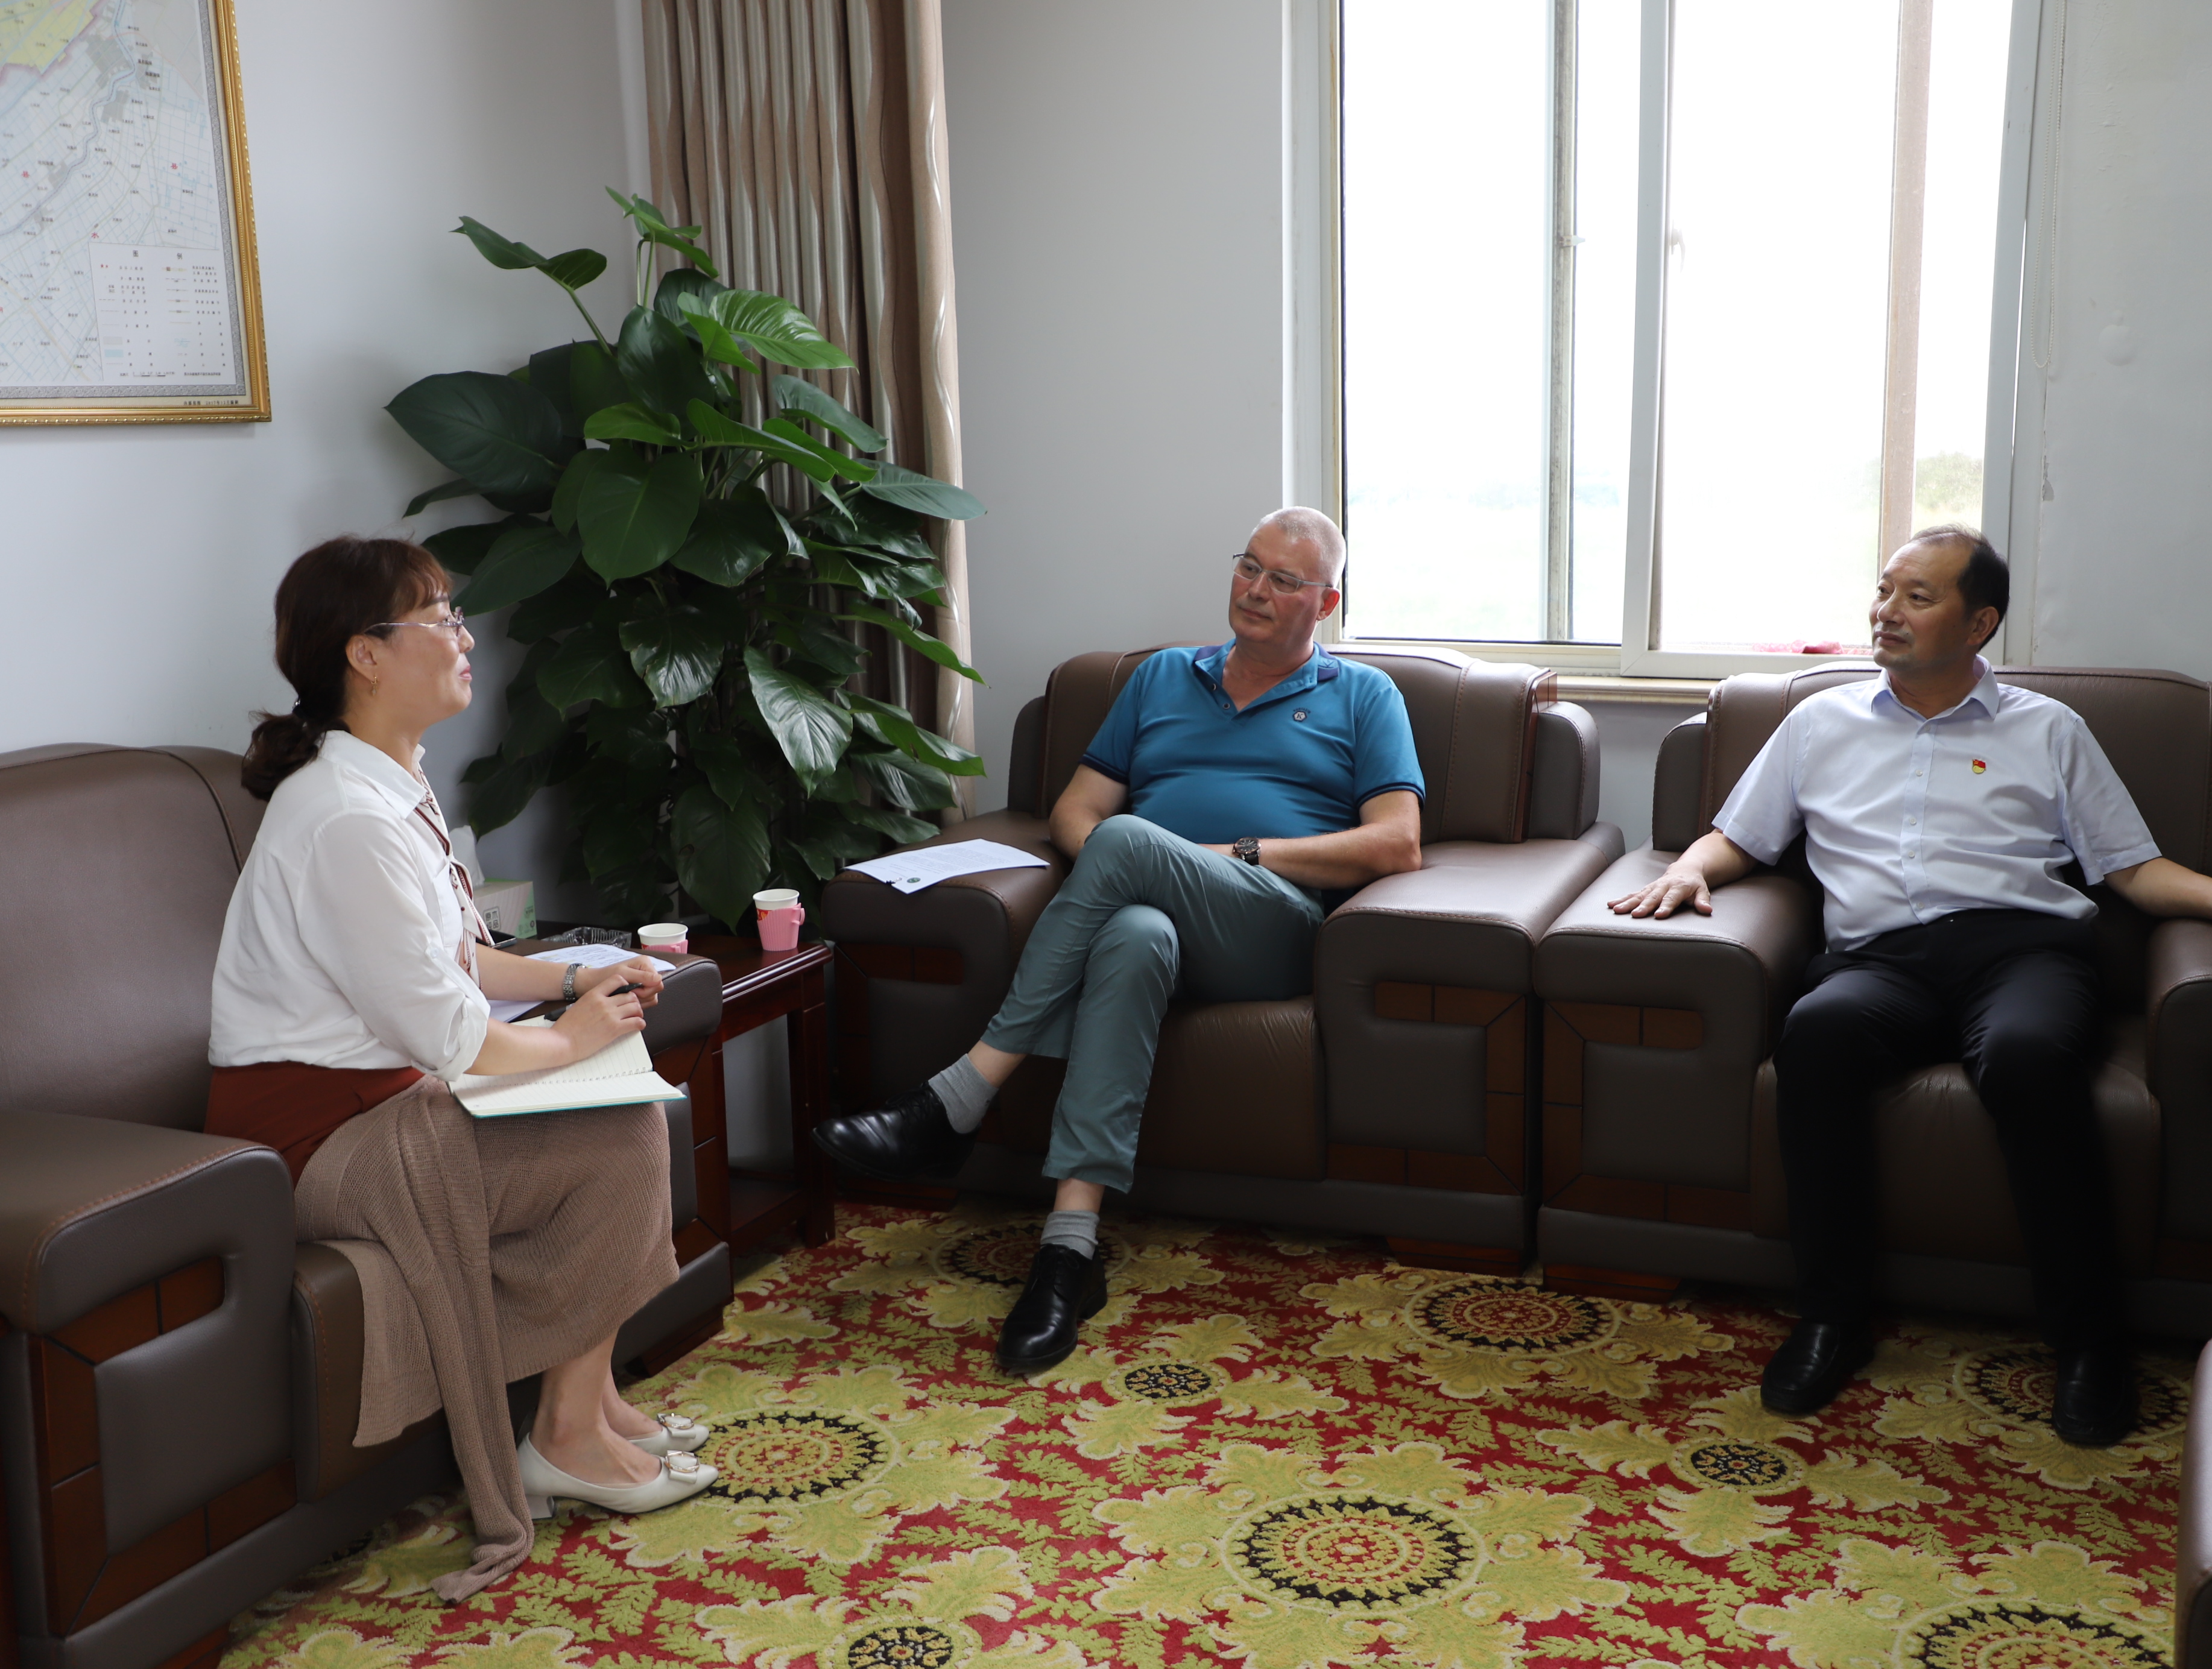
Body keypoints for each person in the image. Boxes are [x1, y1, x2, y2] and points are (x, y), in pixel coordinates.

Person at [1607, 527, 2212, 1448]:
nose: (1886, 611)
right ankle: (1832, 1318)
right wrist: (1692, 867)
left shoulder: (2047, 730)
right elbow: (1743, 836)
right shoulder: (1818, 723)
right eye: (1884, 590)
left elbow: (2130, 865)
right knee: (1817, 1035)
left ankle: (2089, 1344)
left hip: (2022, 954)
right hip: (1878, 960)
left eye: (1917, 597)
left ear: (1979, 623)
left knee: (2029, 1056)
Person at [207, 537, 718, 1602]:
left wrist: (572, 980)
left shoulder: (390, 781)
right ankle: (564, 1436)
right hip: (321, 1142)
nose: (465, 637)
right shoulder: (344, 819)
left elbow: (458, 959)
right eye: (439, 618)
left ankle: (593, 1405)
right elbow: (453, 1034)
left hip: (388, 1101)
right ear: (367, 656)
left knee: (624, 1100)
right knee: (619, 1123)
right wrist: (574, 1038)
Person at [812, 507, 1424, 1375]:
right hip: (1156, 921)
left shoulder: (1364, 695)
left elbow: (1397, 842)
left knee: (1131, 840)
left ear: (1325, 602)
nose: (1255, 589)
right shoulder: (1162, 677)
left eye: (1284, 580)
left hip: (1273, 925)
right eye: (1248, 565)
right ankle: (1068, 1251)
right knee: (1133, 931)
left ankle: (959, 1095)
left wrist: (1225, 855)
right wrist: (1130, 867)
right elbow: (1075, 811)